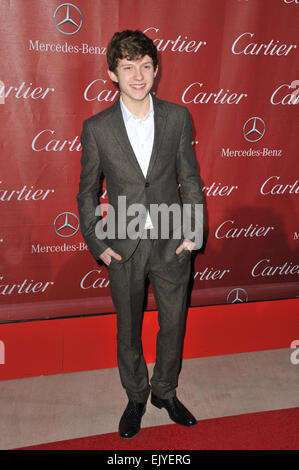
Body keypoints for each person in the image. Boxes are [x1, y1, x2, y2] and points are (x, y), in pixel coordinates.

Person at [77, 30, 204, 439]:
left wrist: (193, 231)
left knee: (173, 324)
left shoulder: (178, 116)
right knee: (128, 328)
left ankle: (164, 391)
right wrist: (98, 243)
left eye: (146, 66)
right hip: (124, 245)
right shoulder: (97, 127)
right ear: (112, 73)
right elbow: (86, 191)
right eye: (128, 67)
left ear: (156, 70)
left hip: (172, 243)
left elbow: (190, 177)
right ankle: (135, 395)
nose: (138, 75)